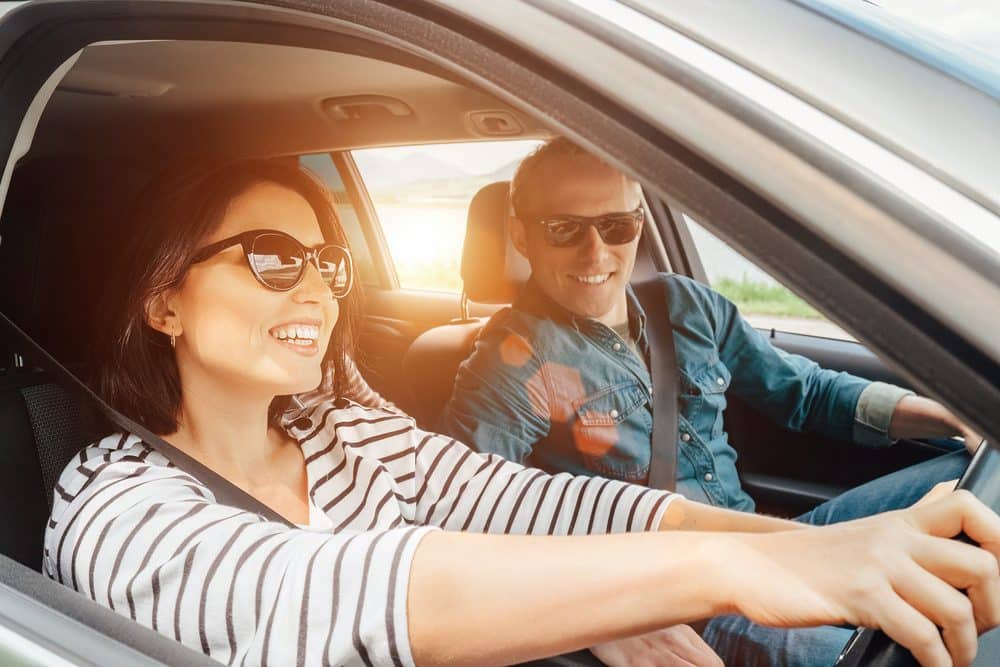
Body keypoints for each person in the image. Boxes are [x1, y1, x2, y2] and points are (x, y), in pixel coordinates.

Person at [45, 159, 1000, 667]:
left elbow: (532, 501)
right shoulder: (112, 512)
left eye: (327, 263)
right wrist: (727, 571)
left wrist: (802, 550)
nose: (316, 291)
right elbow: (354, 591)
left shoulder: (341, 427)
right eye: (270, 258)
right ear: (162, 300)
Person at [438, 137, 984, 664]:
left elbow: (804, 391)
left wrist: (950, 417)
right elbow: (465, 520)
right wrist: (595, 619)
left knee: (977, 480)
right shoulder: (510, 363)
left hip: (767, 540)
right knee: (890, 655)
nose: (595, 251)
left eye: (616, 226)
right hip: (679, 601)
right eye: (563, 229)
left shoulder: (686, 306)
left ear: (639, 223)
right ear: (521, 234)